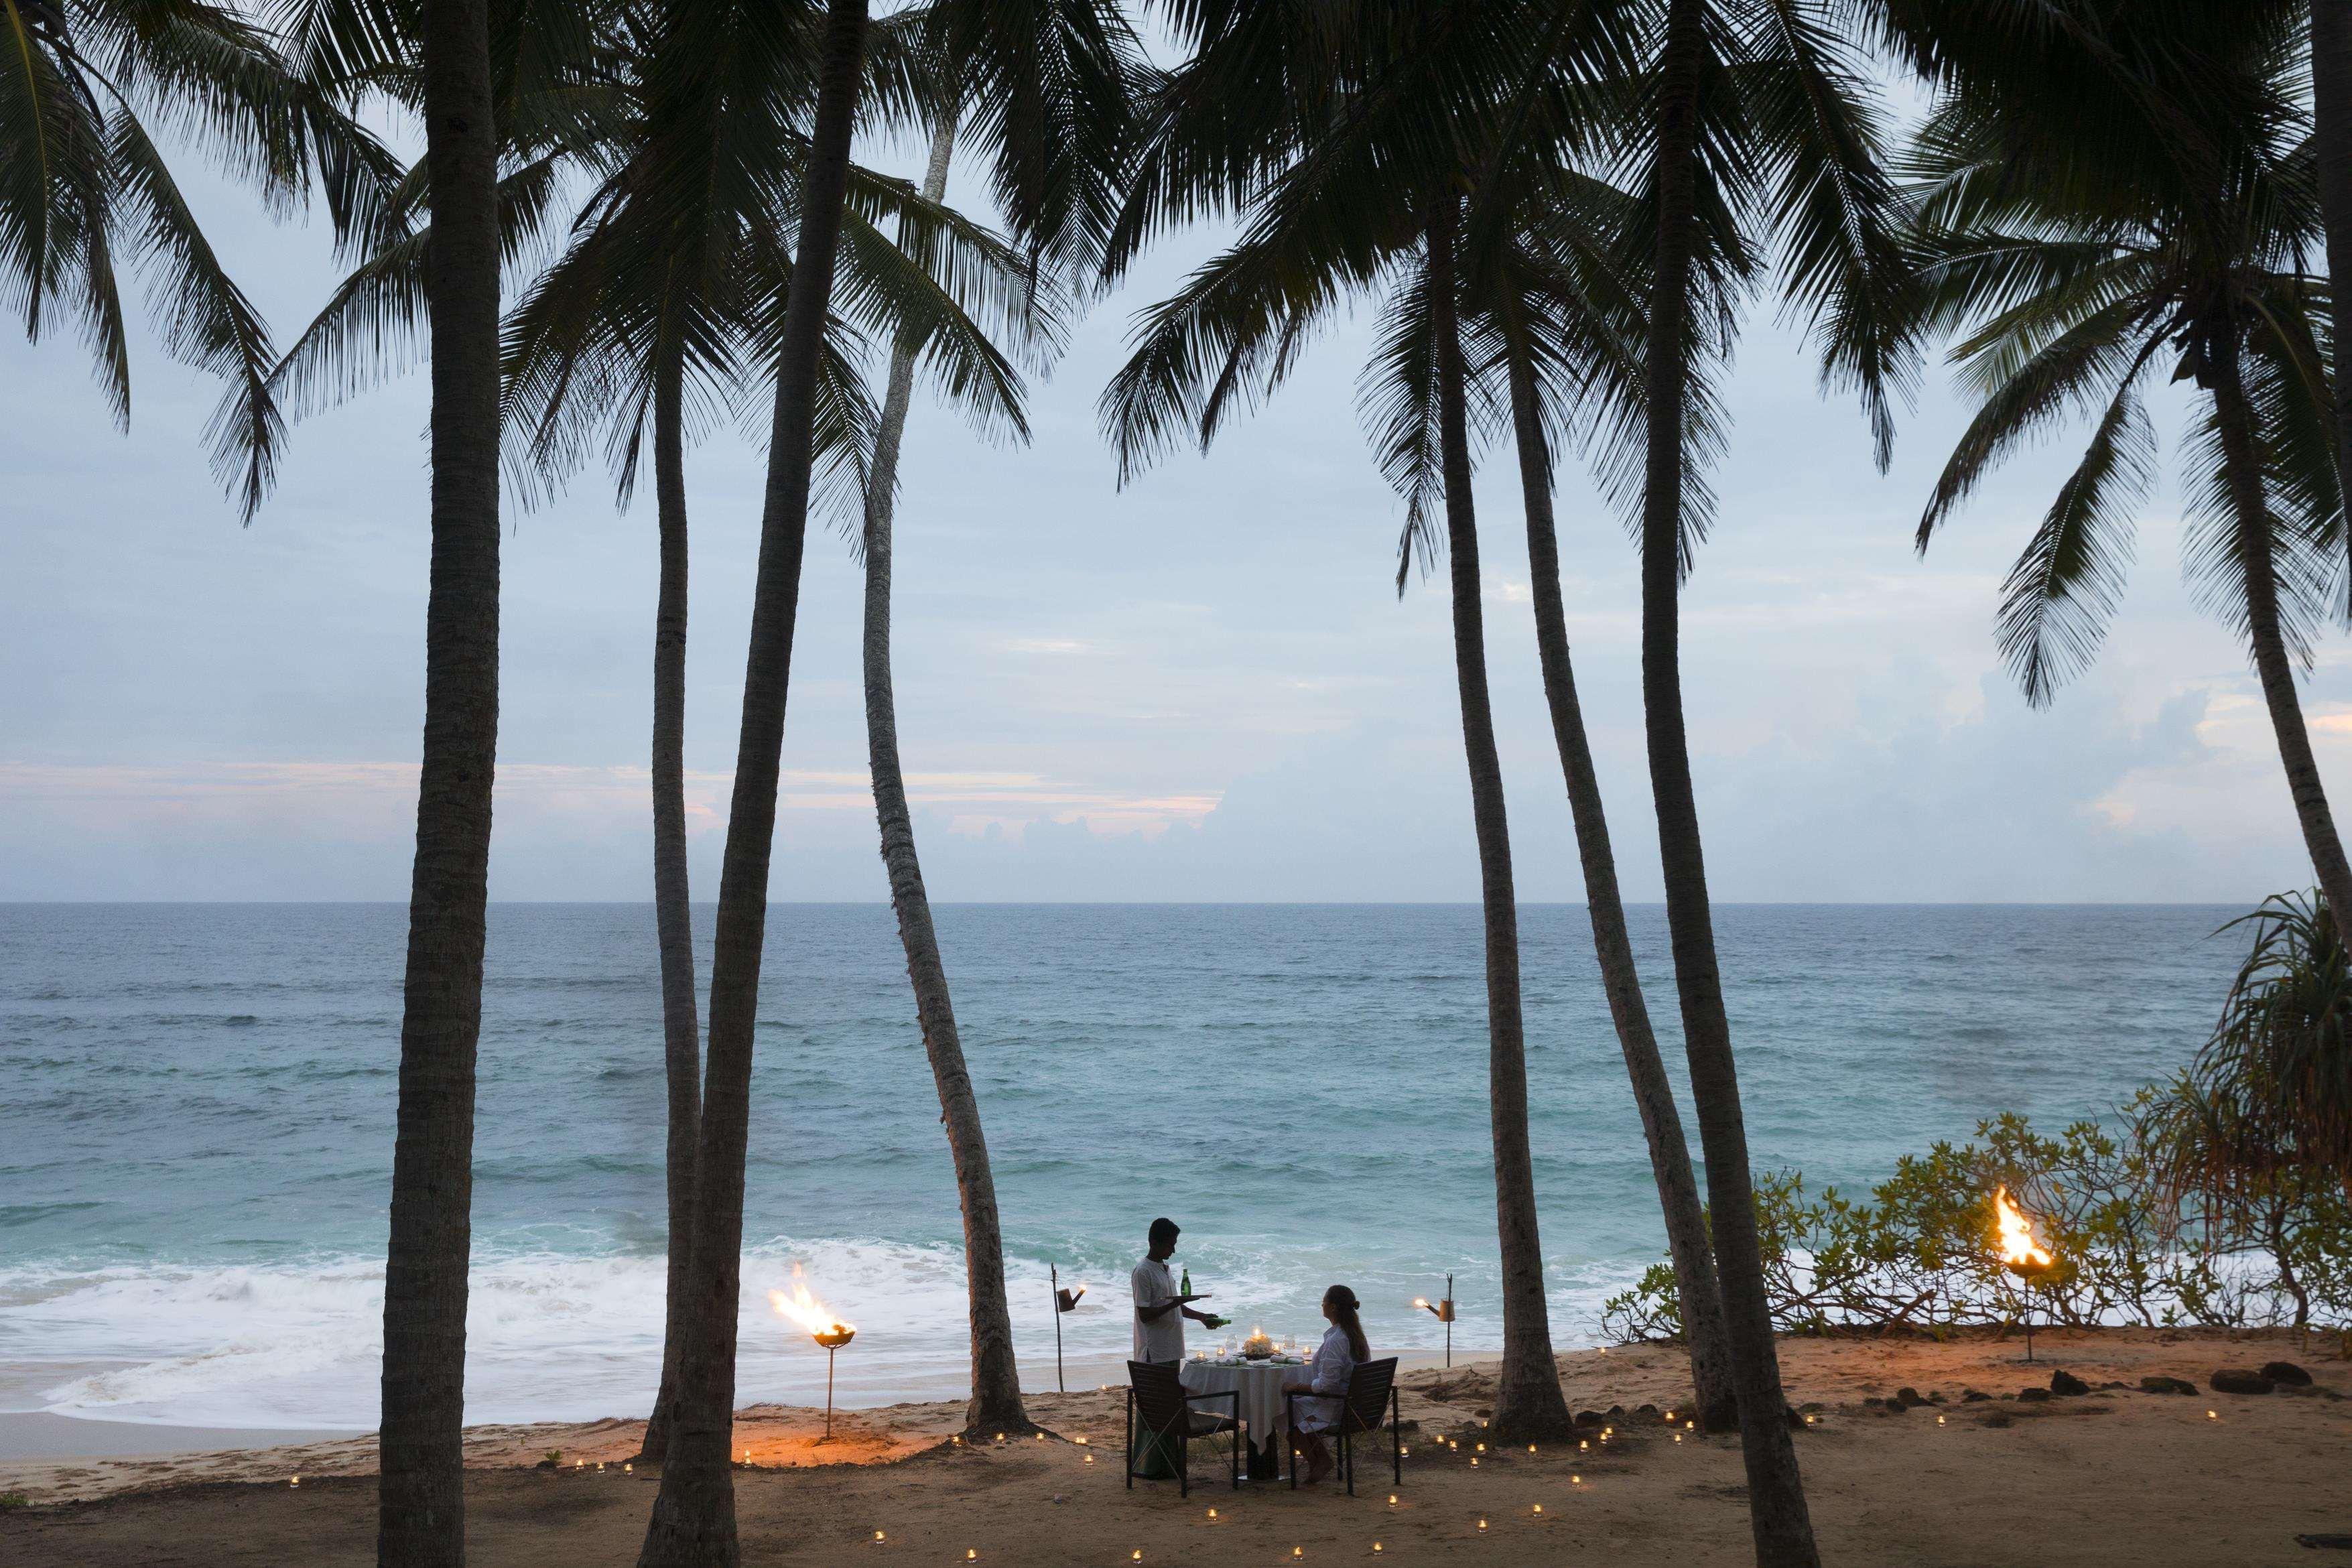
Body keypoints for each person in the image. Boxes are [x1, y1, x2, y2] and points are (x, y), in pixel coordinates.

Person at [1283, 1284, 1368, 1485]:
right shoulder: (1355, 1336)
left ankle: (1320, 1461)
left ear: (1332, 1308)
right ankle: (1320, 1460)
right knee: (1294, 1405)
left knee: (1282, 1409)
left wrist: (1297, 1386)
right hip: (1358, 1406)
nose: (1322, 1304)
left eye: (1324, 1302)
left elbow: (1327, 1386)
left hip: (1338, 1407)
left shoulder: (1337, 1340)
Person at [1130, 1217, 1222, 1364]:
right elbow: (1145, 1315)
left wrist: (1201, 1317)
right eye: (1169, 1245)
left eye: (1174, 1245)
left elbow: (1175, 1307)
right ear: (1154, 1243)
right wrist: (1175, 1303)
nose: (1173, 1250)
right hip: (1155, 1349)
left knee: (1172, 1386)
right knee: (1160, 1387)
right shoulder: (1144, 1271)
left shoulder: (1165, 1268)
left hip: (1172, 1346)